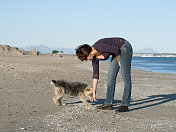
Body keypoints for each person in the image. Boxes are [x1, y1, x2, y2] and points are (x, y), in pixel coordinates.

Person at [75, 37, 133, 112]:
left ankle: (125, 105)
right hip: (117, 52)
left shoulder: (99, 46)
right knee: (110, 76)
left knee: (125, 76)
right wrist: (94, 93)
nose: (86, 60)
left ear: (89, 54)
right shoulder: (94, 58)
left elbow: (116, 50)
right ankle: (108, 103)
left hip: (124, 47)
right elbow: (95, 75)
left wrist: (119, 60)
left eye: (85, 58)